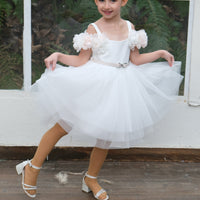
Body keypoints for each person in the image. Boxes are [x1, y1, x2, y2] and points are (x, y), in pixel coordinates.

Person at [16, 0, 183, 199]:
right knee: (63, 125)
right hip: (94, 84)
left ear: (123, 1)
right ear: (96, 1)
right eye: (101, 0)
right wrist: (59, 55)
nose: (106, 5)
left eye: (112, 0)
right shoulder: (94, 28)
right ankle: (32, 167)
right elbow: (80, 60)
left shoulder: (130, 28)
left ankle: (91, 178)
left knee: (106, 134)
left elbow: (135, 59)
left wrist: (160, 53)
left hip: (120, 85)